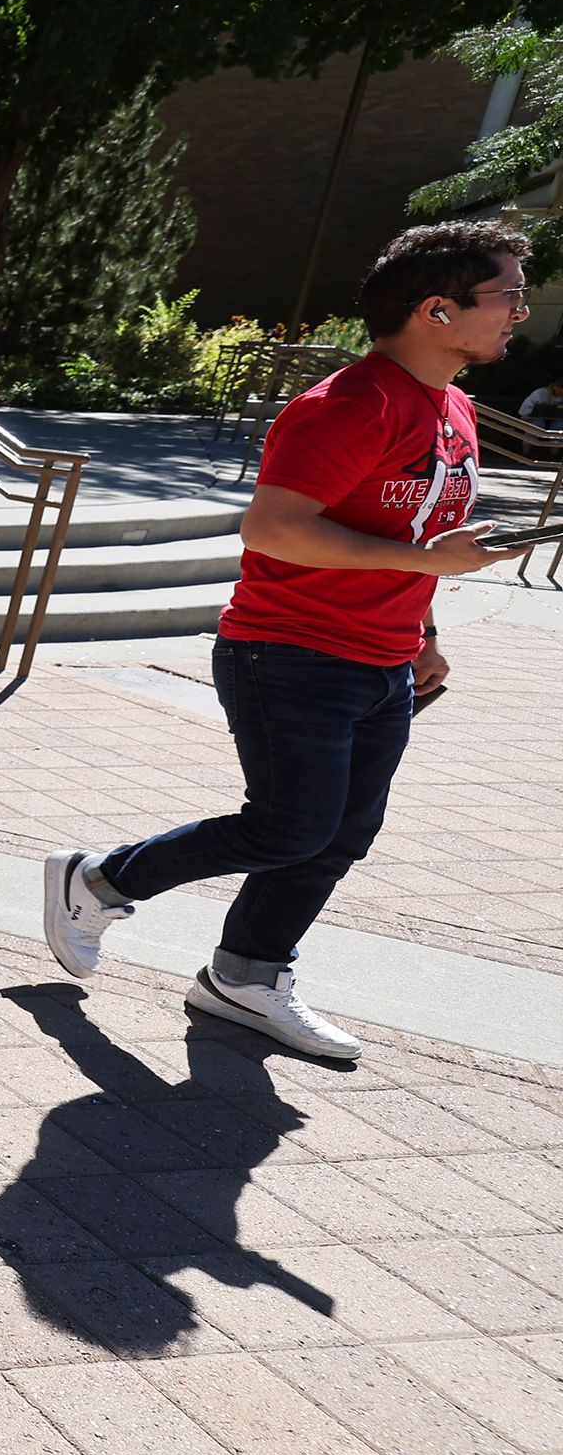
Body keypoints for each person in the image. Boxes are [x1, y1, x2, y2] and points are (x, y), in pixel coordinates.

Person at [43, 220, 531, 1059]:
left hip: (382, 658)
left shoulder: (451, 406)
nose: (520, 312)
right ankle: (99, 880)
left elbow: (421, 527)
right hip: (290, 651)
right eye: (508, 295)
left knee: (341, 834)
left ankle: (247, 976)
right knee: (288, 828)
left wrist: (424, 630)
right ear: (436, 310)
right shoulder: (352, 403)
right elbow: (272, 529)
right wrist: (426, 562)